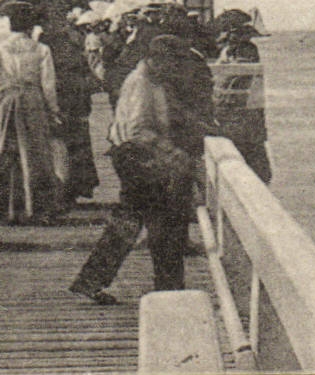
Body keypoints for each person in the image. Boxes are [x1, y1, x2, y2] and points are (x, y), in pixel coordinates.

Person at [69, 35, 219, 305]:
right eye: (172, 63)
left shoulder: (152, 81)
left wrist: (199, 126)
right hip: (136, 158)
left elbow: (171, 112)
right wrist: (172, 153)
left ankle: (95, 282)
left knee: (135, 222)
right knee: (158, 223)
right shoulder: (141, 84)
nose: (174, 69)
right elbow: (139, 130)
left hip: (139, 158)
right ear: (157, 60)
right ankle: (168, 287)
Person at [0, 1, 63, 225]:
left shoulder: (0, 48)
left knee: (7, 152)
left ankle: (4, 209)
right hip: (33, 102)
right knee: (35, 153)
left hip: (8, 103)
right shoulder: (41, 49)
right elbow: (48, 84)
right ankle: (35, 208)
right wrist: (53, 110)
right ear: (31, 25)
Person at [45, 6, 100, 205]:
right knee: (71, 143)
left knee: (63, 143)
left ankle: (65, 189)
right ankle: (69, 189)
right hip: (72, 95)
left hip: (67, 95)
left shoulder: (47, 40)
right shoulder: (71, 38)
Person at [212, 17, 272, 182]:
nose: (234, 38)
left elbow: (238, 77)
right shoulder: (228, 51)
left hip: (242, 105)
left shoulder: (247, 50)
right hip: (233, 105)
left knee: (252, 152)